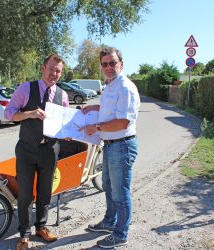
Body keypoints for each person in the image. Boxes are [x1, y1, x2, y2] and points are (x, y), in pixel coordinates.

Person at [5, 54, 69, 250]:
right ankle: (24, 233)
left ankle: (41, 226)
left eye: (58, 71)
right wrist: (29, 113)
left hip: (50, 150)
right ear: (43, 67)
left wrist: (67, 133)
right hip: (26, 150)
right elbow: (8, 114)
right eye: (51, 69)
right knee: (24, 194)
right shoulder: (26, 88)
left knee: (45, 192)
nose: (54, 74)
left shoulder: (63, 95)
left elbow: (65, 123)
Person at [80, 47, 140, 249]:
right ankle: (109, 222)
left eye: (112, 63)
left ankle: (121, 234)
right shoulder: (111, 85)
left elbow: (122, 122)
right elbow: (110, 111)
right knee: (108, 187)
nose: (108, 67)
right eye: (104, 63)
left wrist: (95, 127)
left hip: (121, 146)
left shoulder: (124, 87)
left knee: (120, 193)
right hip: (110, 145)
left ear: (121, 64)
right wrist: (93, 108)